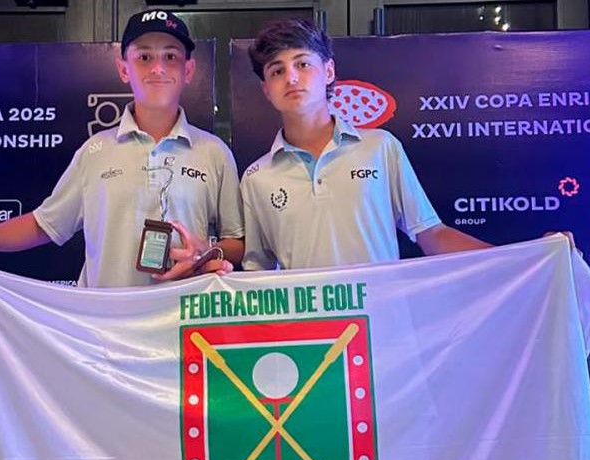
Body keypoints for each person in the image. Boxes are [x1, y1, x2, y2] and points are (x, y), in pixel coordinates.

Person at [0, 10, 244, 287]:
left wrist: (208, 252)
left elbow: (237, 242)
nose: (157, 68)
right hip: (104, 327)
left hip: (185, 323)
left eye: (170, 56)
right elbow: (44, 224)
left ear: (188, 70)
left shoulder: (214, 152)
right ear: (124, 69)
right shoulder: (95, 151)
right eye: (144, 57)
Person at [241, 18, 568, 271]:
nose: (291, 78)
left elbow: (432, 235)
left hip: (384, 325)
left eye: (303, 64)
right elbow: (258, 273)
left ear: (328, 71)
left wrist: (527, 260)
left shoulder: (379, 148)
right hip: (307, 334)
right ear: (266, 89)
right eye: (277, 71)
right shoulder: (257, 178)